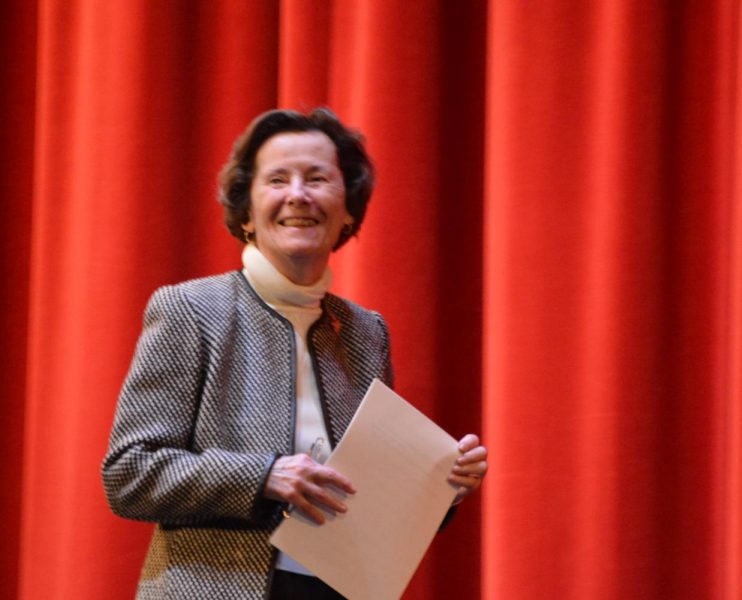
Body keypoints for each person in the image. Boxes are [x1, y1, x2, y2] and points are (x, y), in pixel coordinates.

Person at [101, 108, 488, 600]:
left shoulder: (365, 331)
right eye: (278, 179)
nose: (298, 195)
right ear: (246, 210)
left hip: (340, 588)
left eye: (318, 178)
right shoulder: (191, 309)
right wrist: (263, 476)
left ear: (348, 208)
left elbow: (365, 500)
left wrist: (437, 487)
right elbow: (129, 473)